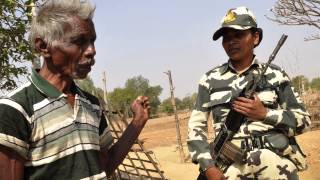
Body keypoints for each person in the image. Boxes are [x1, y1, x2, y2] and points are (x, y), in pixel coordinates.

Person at [0, 0, 150, 179]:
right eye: (79, 42)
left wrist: (138, 122)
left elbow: (104, 166)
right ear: (43, 46)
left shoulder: (92, 105)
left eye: (92, 41)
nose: (91, 51)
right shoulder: (16, 109)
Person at [187, 6, 311, 180]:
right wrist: (208, 166)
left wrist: (266, 114)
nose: (231, 42)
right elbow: (195, 127)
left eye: (238, 35)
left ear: (256, 38)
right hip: (230, 168)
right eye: (226, 37)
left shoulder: (276, 75)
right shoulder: (209, 80)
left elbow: (304, 121)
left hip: (276, 167)